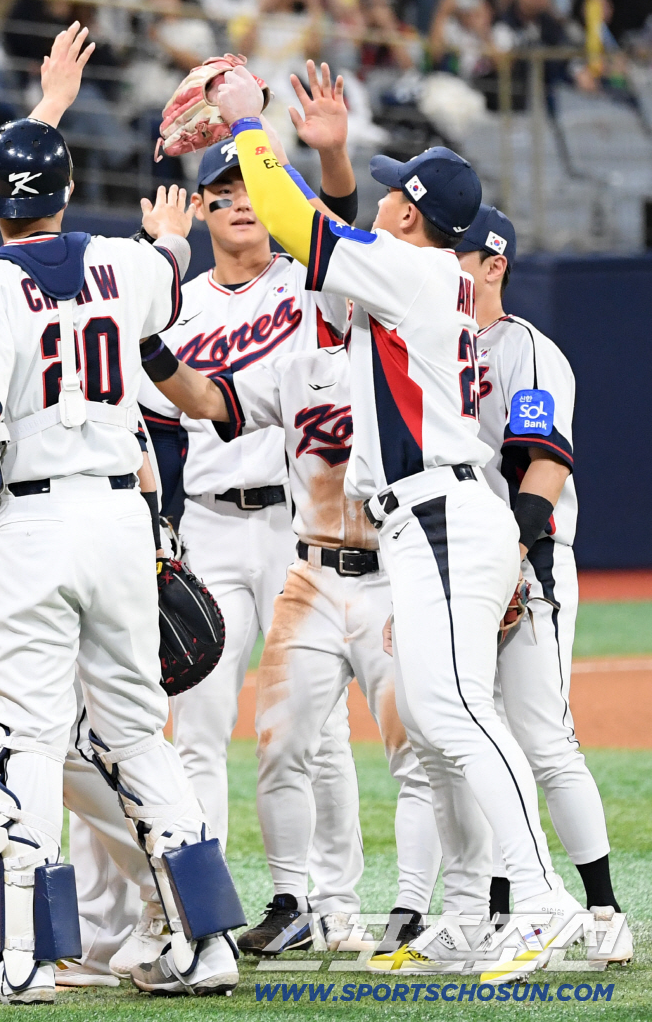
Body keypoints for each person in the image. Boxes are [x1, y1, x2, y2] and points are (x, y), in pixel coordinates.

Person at [218, 60, 586, 975]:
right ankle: (467, 912)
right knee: (435, 718)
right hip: (426, 517)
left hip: (442, 514)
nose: (381, 201)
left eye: (393, 193)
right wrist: (333, 156)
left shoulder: (411, 271)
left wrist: (248, 124)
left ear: (413, 215)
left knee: (456, 713)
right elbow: (328, 232)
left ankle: (542, 898)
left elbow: (296, 222)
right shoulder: (419, 273)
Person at [0, 39, 246, 1001]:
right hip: (121, 519)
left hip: (36, 523)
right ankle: (208, 942)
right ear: (65, 189)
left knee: (28, 735)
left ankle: (25, 956)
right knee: (138, 733)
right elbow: (166, 291)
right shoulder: (127, 265)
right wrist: (170, 243)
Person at [137, 85, 362, 953]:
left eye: (250, 188)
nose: (239, 202)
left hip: (299, 527)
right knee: (197, 725)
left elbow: (338, 218)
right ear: (199, 207)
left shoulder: (309, 285)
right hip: (208, 527)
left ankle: (330, 903)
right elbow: (155, 425)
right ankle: (209, 913)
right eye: (221, 190)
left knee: (316, 728)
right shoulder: (178, 304)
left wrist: (328, 154)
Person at [140, 333, 440, 955]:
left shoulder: (434, 364)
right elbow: (204, 399)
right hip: (312, 578)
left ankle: (412, 909)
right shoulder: (299, 371)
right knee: (279, 747)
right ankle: (289, 904)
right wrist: (145, 342)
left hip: (397, 575)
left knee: (418, 753)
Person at [454, 207, 632, 965]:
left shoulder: (528, 350)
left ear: (493, 264)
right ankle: (505, 908)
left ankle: (604, 908)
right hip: (460, 568)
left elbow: (544, 465)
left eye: (455, 253)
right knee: (483, 738)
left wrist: (512, 561)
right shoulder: (428, 343)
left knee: (545, 738)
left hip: (529, 565)